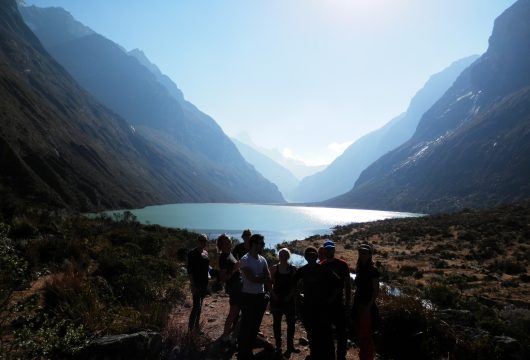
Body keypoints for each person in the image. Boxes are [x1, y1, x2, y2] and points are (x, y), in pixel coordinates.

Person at [294, 246, 335, 359]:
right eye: (309, 255)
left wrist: (331, 298)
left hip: (322, 306)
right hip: (308, 306)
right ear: (306, 257)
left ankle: (325, 355)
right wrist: (298, 296)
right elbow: (293, 283)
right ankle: (314, 354)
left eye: (313, 255)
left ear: (316, 256)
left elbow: (336, 284)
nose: (311, 257)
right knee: (311, 331)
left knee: (323, 331)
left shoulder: (324, 269)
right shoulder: (302, 270)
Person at [237, 234, 271, 360]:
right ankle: (242, 352)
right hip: (248, 297)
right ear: (253, 244)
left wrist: (259, 278)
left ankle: (248, 350)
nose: (263, 246)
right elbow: (252, 279)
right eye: (261, 244)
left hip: (260, 296)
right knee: (246, 325)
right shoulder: (245, 259)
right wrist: (261, 278)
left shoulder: (263, 259)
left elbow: (268, 279)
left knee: (255, 325)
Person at [321, 239, 351, 360]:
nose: (329, 250)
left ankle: (341, 356)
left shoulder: (342, 264)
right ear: (325, 250)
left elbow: (348, 285)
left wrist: (348, 303)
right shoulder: (321, 265)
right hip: (327, 305)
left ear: (334, 249)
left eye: (331, 248)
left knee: (341, 333)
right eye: (327, 249)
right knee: (328, 334)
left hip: (339, 304)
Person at [352, 244, 380, 360]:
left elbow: (375, 290)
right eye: (360, 253)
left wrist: (368, 307)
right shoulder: (359, 268)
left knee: (366, 333)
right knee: (360, 332)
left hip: (367, 306)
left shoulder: (373, 270)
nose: (362, 255)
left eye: (365, 253)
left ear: (369, 255)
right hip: (358, 303)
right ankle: (363, 355)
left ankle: (367, 356)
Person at [270, 248, 299, 356]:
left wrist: (290, 296)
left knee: (291, 324)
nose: (283, 256)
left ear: (288, 256)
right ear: (278, 256)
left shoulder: (293, 269)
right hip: (276, 299)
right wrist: (273, 294)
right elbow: (269, 283)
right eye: (281, 254)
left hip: (289, 299)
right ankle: (278, 346)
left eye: (285, 254)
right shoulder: (274, 268)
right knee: (276, 324)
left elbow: (295, 285)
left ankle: (290, 346)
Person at [217, 234, 241, 344]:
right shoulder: (223, 257)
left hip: (239, 286)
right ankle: (226, 336)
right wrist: (235, 269)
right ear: (221, 245)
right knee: (233, 312)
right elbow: (223, 278)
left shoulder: (229, 254)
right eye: (225, 243)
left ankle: (232, 336)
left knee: (236, 313)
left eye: (229, 242)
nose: (228, 244)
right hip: (234, 287)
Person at [187, 234, 210, 332]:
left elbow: (207, 268)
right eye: (201, 240)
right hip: (196, 284)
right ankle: (190, 330)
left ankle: (196, 327)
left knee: (200, 306)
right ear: (198, 241)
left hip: (204, 283)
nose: (203, 242)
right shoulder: (192, 253)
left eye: (205, 241)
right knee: (196, 306)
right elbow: (190, 270)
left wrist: (209, 276)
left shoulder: (206, 253)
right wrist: (192, 285)